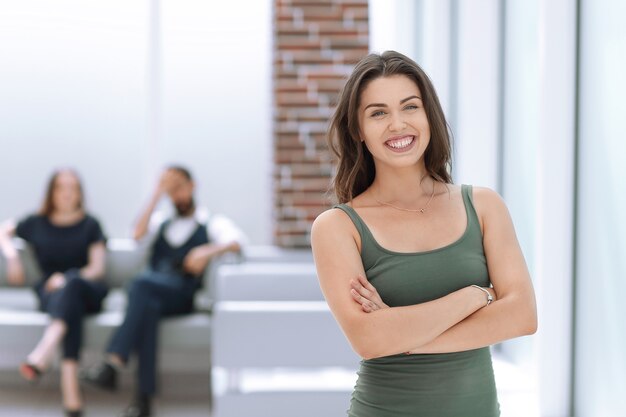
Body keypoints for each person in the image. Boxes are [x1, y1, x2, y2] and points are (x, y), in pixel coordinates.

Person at [311, 50, 538, 417]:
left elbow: (522, 316)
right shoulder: (337, 227)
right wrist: (475, 295)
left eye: (410, 107)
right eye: (378, 113)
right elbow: (368, 339)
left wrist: (404, 337)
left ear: (428, 115)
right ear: (358, 130)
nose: (398, 124)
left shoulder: (483, 206)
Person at [81, 165, 245, 417]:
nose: (177, 194)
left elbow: (237, 242)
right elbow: (136, 235)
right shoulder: (161, 223)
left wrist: (207, 251)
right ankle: (143, 402)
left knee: (139, 284)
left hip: (182, 294)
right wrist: (157, 193)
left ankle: (114, 361)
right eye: (171, 189)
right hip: (153, 293)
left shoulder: (211, 223)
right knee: (147, 306)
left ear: (192, 187)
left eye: (180, 187)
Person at [0, 169, 108, 417]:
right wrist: (12, 255)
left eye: (73, 187)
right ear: (52, 192)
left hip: (86, 288)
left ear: (80, 192)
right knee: (70, 308)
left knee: (72, 290)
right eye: (61, 187)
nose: (67, 193)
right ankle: (71, 393)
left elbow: (97, 268)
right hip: (51, 294)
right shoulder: (36, 222)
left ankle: (44, 353)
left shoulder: (91, 224)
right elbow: (3, 230)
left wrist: (68, 277)